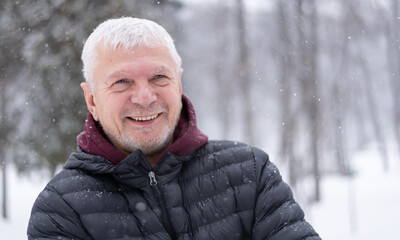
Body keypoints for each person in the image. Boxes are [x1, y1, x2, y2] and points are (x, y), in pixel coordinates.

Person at [27, 17, 321, 240]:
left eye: (158, 77)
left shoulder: (249, 173)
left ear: (178, 84)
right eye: (121, 82)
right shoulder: (60, 208)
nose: (144, 96)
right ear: (91, 99)